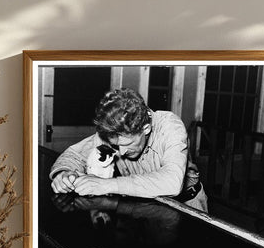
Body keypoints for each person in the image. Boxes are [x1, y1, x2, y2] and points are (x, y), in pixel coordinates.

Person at [50, 88, 208, 212]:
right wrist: (63, 174)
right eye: (116, 146)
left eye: (127, 144)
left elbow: (172, 182)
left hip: (186, 206)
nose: (122, 153)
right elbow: (74, 155)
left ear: (145, 129)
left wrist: (106, 185)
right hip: (142, 206)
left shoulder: (170, 126)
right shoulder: (113, 132)